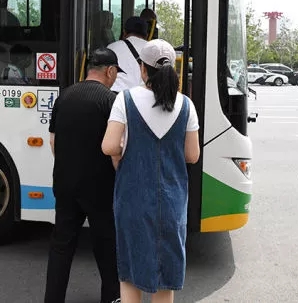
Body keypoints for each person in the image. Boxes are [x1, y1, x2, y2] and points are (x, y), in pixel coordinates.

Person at [102, 39, 201, 303]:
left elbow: (109, 145)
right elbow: (192, 155)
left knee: (130, 272)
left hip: (132, 198)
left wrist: (118, 158)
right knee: (165, 277)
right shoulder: (186, 105)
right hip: (172, 200)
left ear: (142, 68)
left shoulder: (125, 99)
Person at [44, 48, 125, 303]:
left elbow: (53, 142)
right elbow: (116, 149)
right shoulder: (111, 101)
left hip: (65, 183)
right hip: (100, 187)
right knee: (106, 246)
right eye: (116, 72)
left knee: (61, 245)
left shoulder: (64, 96)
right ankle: (111, 299)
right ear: (110, 71)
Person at [107, 16, 149, 92]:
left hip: (114, 95)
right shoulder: (152, 48)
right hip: (142, 95)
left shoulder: (111, 47)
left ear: (124, 32)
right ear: (146, 35)